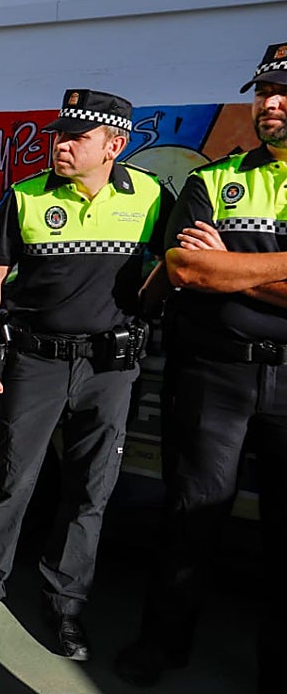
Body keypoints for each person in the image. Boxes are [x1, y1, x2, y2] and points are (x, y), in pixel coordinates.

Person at [0, 89, 174, 662]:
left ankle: (65, 603)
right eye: (58, 136)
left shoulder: (152, 195)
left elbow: (175, 264)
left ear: (114, 145)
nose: (61, 146)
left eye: (76, 138)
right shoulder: (26, 195)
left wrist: (149, 305)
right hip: (35, 363)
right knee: (11, 479)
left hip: (110, 369)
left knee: (91, 489)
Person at [115, 42, 287, 692]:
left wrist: (231, 267)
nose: (270, 103)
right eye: (263, 91)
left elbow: (215, 270)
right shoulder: (213, 179)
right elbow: (187, 268)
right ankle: (162, 644)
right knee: (191, 514)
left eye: (284, 92)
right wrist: (240, 268)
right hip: (215, 373)